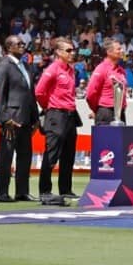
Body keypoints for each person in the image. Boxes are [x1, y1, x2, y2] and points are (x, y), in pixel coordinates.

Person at [34, 37, 80, 206]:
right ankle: (44, 191)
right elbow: (39, 92)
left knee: (69, 153)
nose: (72, 53)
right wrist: (49, 107)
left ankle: (65, 189)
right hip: (56, 114)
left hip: (70, 114)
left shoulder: (71, 70)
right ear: (59, 52)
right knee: (52, 153)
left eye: (73, 50)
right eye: (68, 50)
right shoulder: (53, 69)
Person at [0, 35, 38, 203]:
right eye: (18, 44)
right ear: (9, 47)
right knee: (6, 156)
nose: (22, 45)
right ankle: (2, 192)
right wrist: (4, 119)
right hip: (10, 119)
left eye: (23, 43)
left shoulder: (26, 65)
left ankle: (22, 191)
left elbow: (30, 94)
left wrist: (35, 117)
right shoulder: (4, 66)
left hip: (26, 118)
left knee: (25, 156)